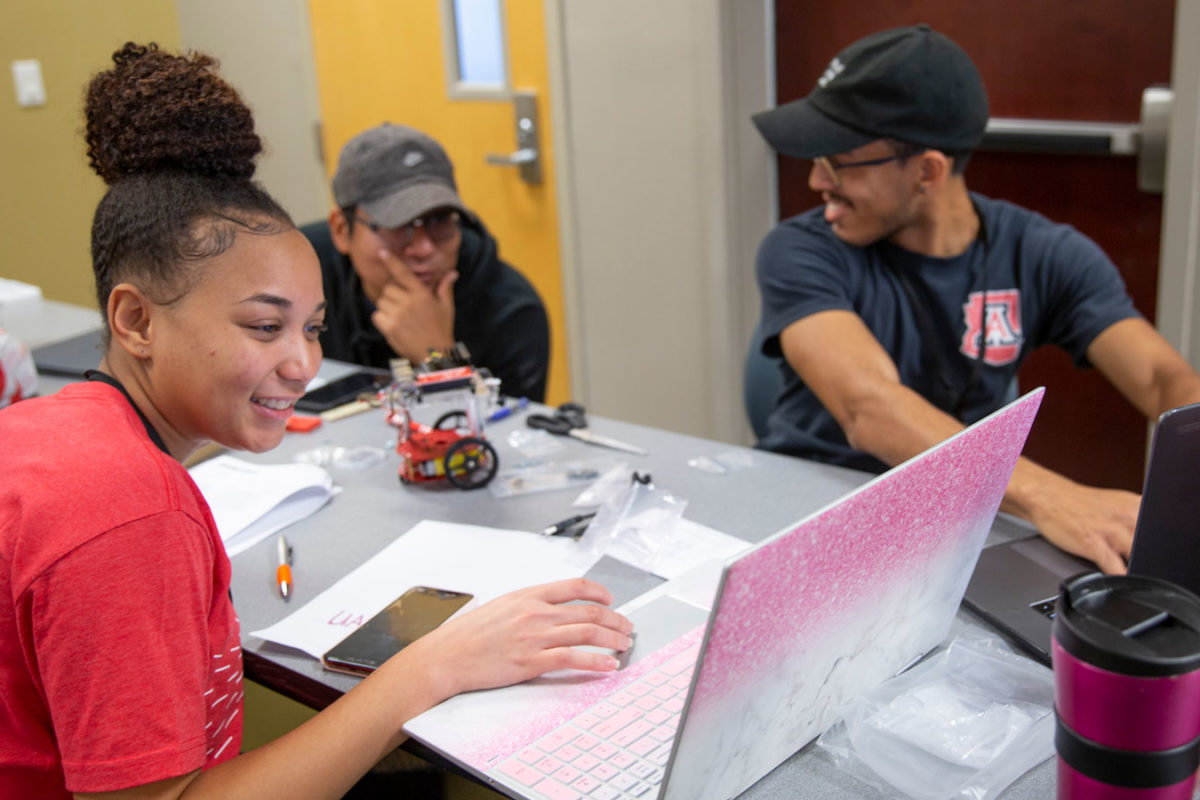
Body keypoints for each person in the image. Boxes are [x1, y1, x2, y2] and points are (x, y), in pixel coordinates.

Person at [0, 43, 631, 800]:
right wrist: (432, 667)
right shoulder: (131, 511)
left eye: (313, 328)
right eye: (265, 328)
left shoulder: (60, 433)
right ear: (135, 319)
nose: (303, 365)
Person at [750, 24, 1200, 575]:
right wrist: (1050, 496)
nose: (817, 181)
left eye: (837, 162)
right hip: (817, 508)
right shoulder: (799, 249)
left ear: (928, 171)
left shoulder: (1045, 252)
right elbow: (869, 407)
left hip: (958, 519)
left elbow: (1162, 379)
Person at [301, 124, 551, 401]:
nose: (423, 248)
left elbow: (503, 440)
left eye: (439, 220)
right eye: (396, 225)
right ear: (340, 230)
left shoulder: (510, 311)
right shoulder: (301, 272)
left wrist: (438, 357)